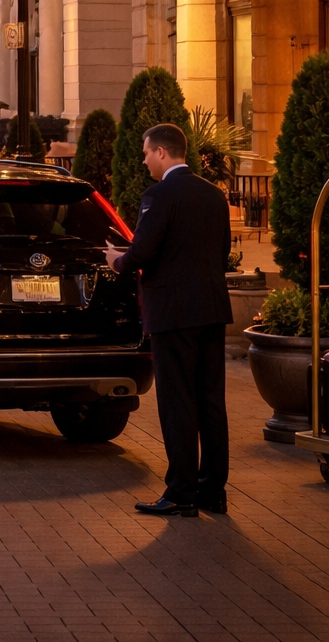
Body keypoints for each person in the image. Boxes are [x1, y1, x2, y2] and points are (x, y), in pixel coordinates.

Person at [104, 123, 233, 519]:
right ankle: (213, 490)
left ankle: (181, 492)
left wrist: (117, 261)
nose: (143, 160)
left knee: (177, 403)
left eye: (146, 153)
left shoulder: (158, 195)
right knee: (211, 401)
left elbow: (143, 252)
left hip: (172, 315)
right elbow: (221, 250)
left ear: (162, 153)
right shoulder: (215, 196)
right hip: (211, 310)